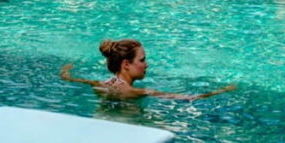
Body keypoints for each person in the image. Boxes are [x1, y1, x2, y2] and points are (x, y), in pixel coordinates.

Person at [60, 38, 236, 100]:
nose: (147, 64)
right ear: (126, 64)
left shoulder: (100, 84)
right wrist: (224, 90)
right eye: (142, 60)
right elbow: (190, 98)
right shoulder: (135, 92)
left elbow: (68, 78)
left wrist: (67, 69)